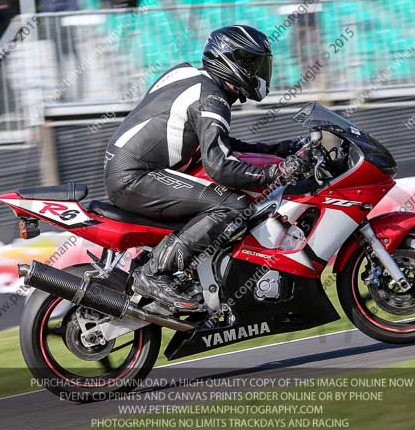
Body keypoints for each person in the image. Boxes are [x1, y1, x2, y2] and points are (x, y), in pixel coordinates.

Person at [104, 25, 313, 311]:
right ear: (230, 61)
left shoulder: (188, 75)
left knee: (214, 198)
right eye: (252, 63)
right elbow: (220, 166)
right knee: (232, 204)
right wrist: (276, 174)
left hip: (133, 170)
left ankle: (174, 269)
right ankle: (154, 273)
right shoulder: (211, 99)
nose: (259, 72)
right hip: (137, 176)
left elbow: (216, 143)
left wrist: (274, 150)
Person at [286, 0, 324, 85]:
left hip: (314, 19)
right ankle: (304, 79)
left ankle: (319, 79)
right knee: (299, 50)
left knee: (317, 49)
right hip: (298, 20)